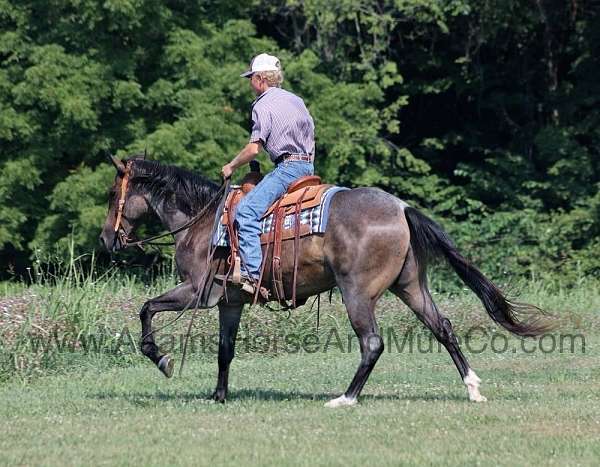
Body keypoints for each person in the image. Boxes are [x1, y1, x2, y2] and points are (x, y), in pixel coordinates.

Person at [221, 53, 315, 294]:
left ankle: (253, 276)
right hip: (308, 167)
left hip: (287, 169)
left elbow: (254, 149)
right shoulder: (297, 100)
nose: (250, 82)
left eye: (251, 77)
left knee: (246, 211)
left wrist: (231, 166)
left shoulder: (262, 105)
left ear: (261, 78)